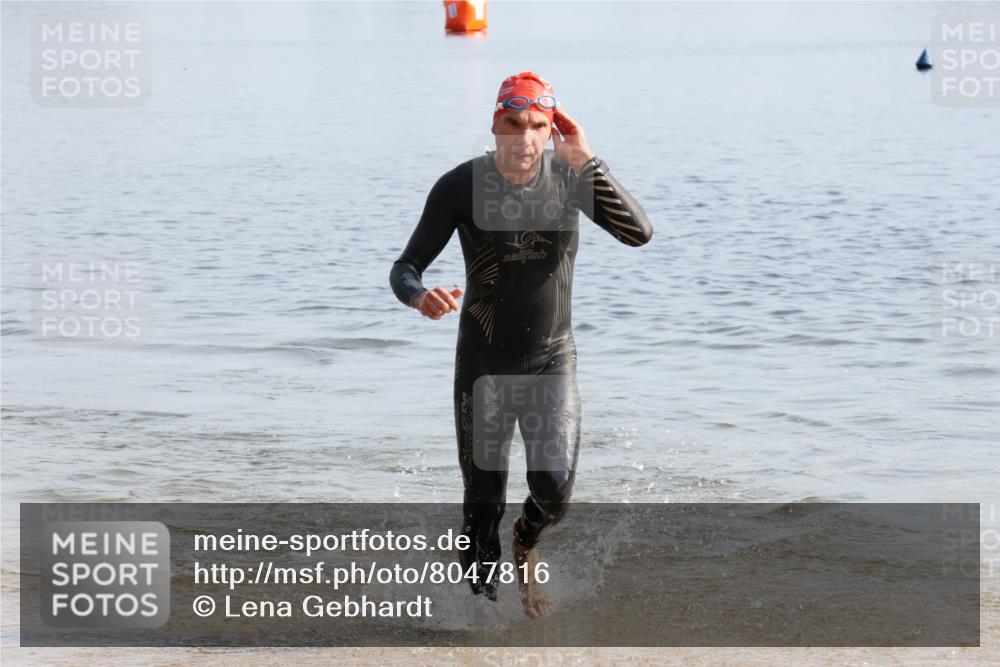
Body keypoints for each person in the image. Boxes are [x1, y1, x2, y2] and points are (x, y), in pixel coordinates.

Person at [389, 71, 653, 618]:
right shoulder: (460, 185)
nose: (525, 138)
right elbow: (405, 267)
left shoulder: (571, 178)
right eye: (514, 124)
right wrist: (419, 297)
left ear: (551, 129)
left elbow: (638, 234)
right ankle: (480, 629)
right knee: (481, 507)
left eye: (537, 126)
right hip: (482, 363)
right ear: (496, 124)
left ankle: (526, 540)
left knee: (554, 490)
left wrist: (588, 161)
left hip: (551, 359)